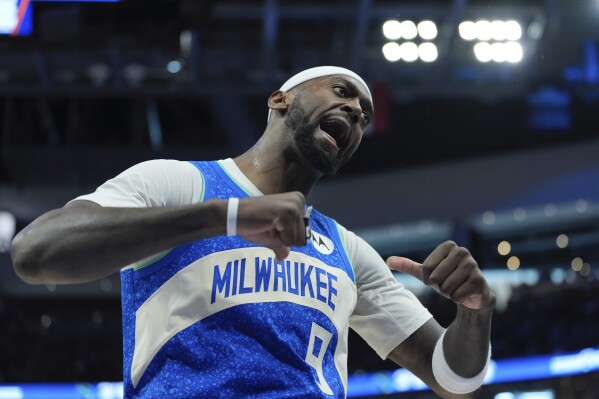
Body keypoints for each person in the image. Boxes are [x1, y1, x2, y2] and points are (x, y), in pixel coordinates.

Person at [11, 66, 495, 399]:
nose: (356, 113)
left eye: (365, 115)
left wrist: (475, 314)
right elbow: (36, 253)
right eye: (342, 93)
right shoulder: (182, 184)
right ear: (280, 99)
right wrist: (223, 216)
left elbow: (454, 379)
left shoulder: (348, 249)